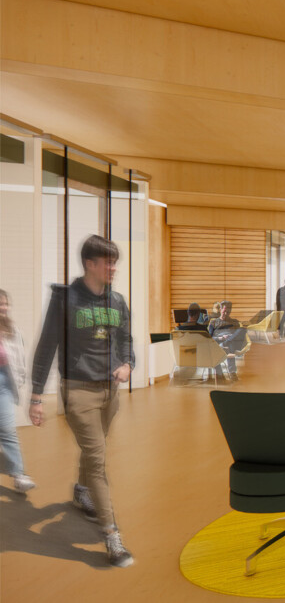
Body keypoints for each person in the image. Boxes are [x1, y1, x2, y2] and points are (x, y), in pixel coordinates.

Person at [29, 234, 134, 567]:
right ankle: (111, 536)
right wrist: (35, 395)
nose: (113, 268)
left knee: (95, 448)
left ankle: (80, 491)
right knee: (98, 460)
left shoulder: (117, 301)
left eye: (115, 262)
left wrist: (128, 364)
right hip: (78, 391)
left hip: (110, 392)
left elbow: (126, 341)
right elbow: (47, 346)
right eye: (108, 262)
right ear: (90, 264)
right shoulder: (66, 300)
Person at [0, 289, 36, 493]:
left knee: (6, 428)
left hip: (4, 380)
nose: (4, 308)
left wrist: (20, 379)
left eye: (6, 304)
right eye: (0, 304)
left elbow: (20, 357)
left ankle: (18, 474)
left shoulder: (12, 330)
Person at [207, 301, 248, 381]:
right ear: (220, 309)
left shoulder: (234, 322)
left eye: (228, 312)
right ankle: (227, 373)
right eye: (224, 311)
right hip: (218, 343)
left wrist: (229, 338)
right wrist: (221, 338)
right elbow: (209, 338)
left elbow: (239, 336)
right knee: (229, 345)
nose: (226, 313)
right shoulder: (214, 322)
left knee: (242, 329)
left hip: (231, 341)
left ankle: (230, 372)